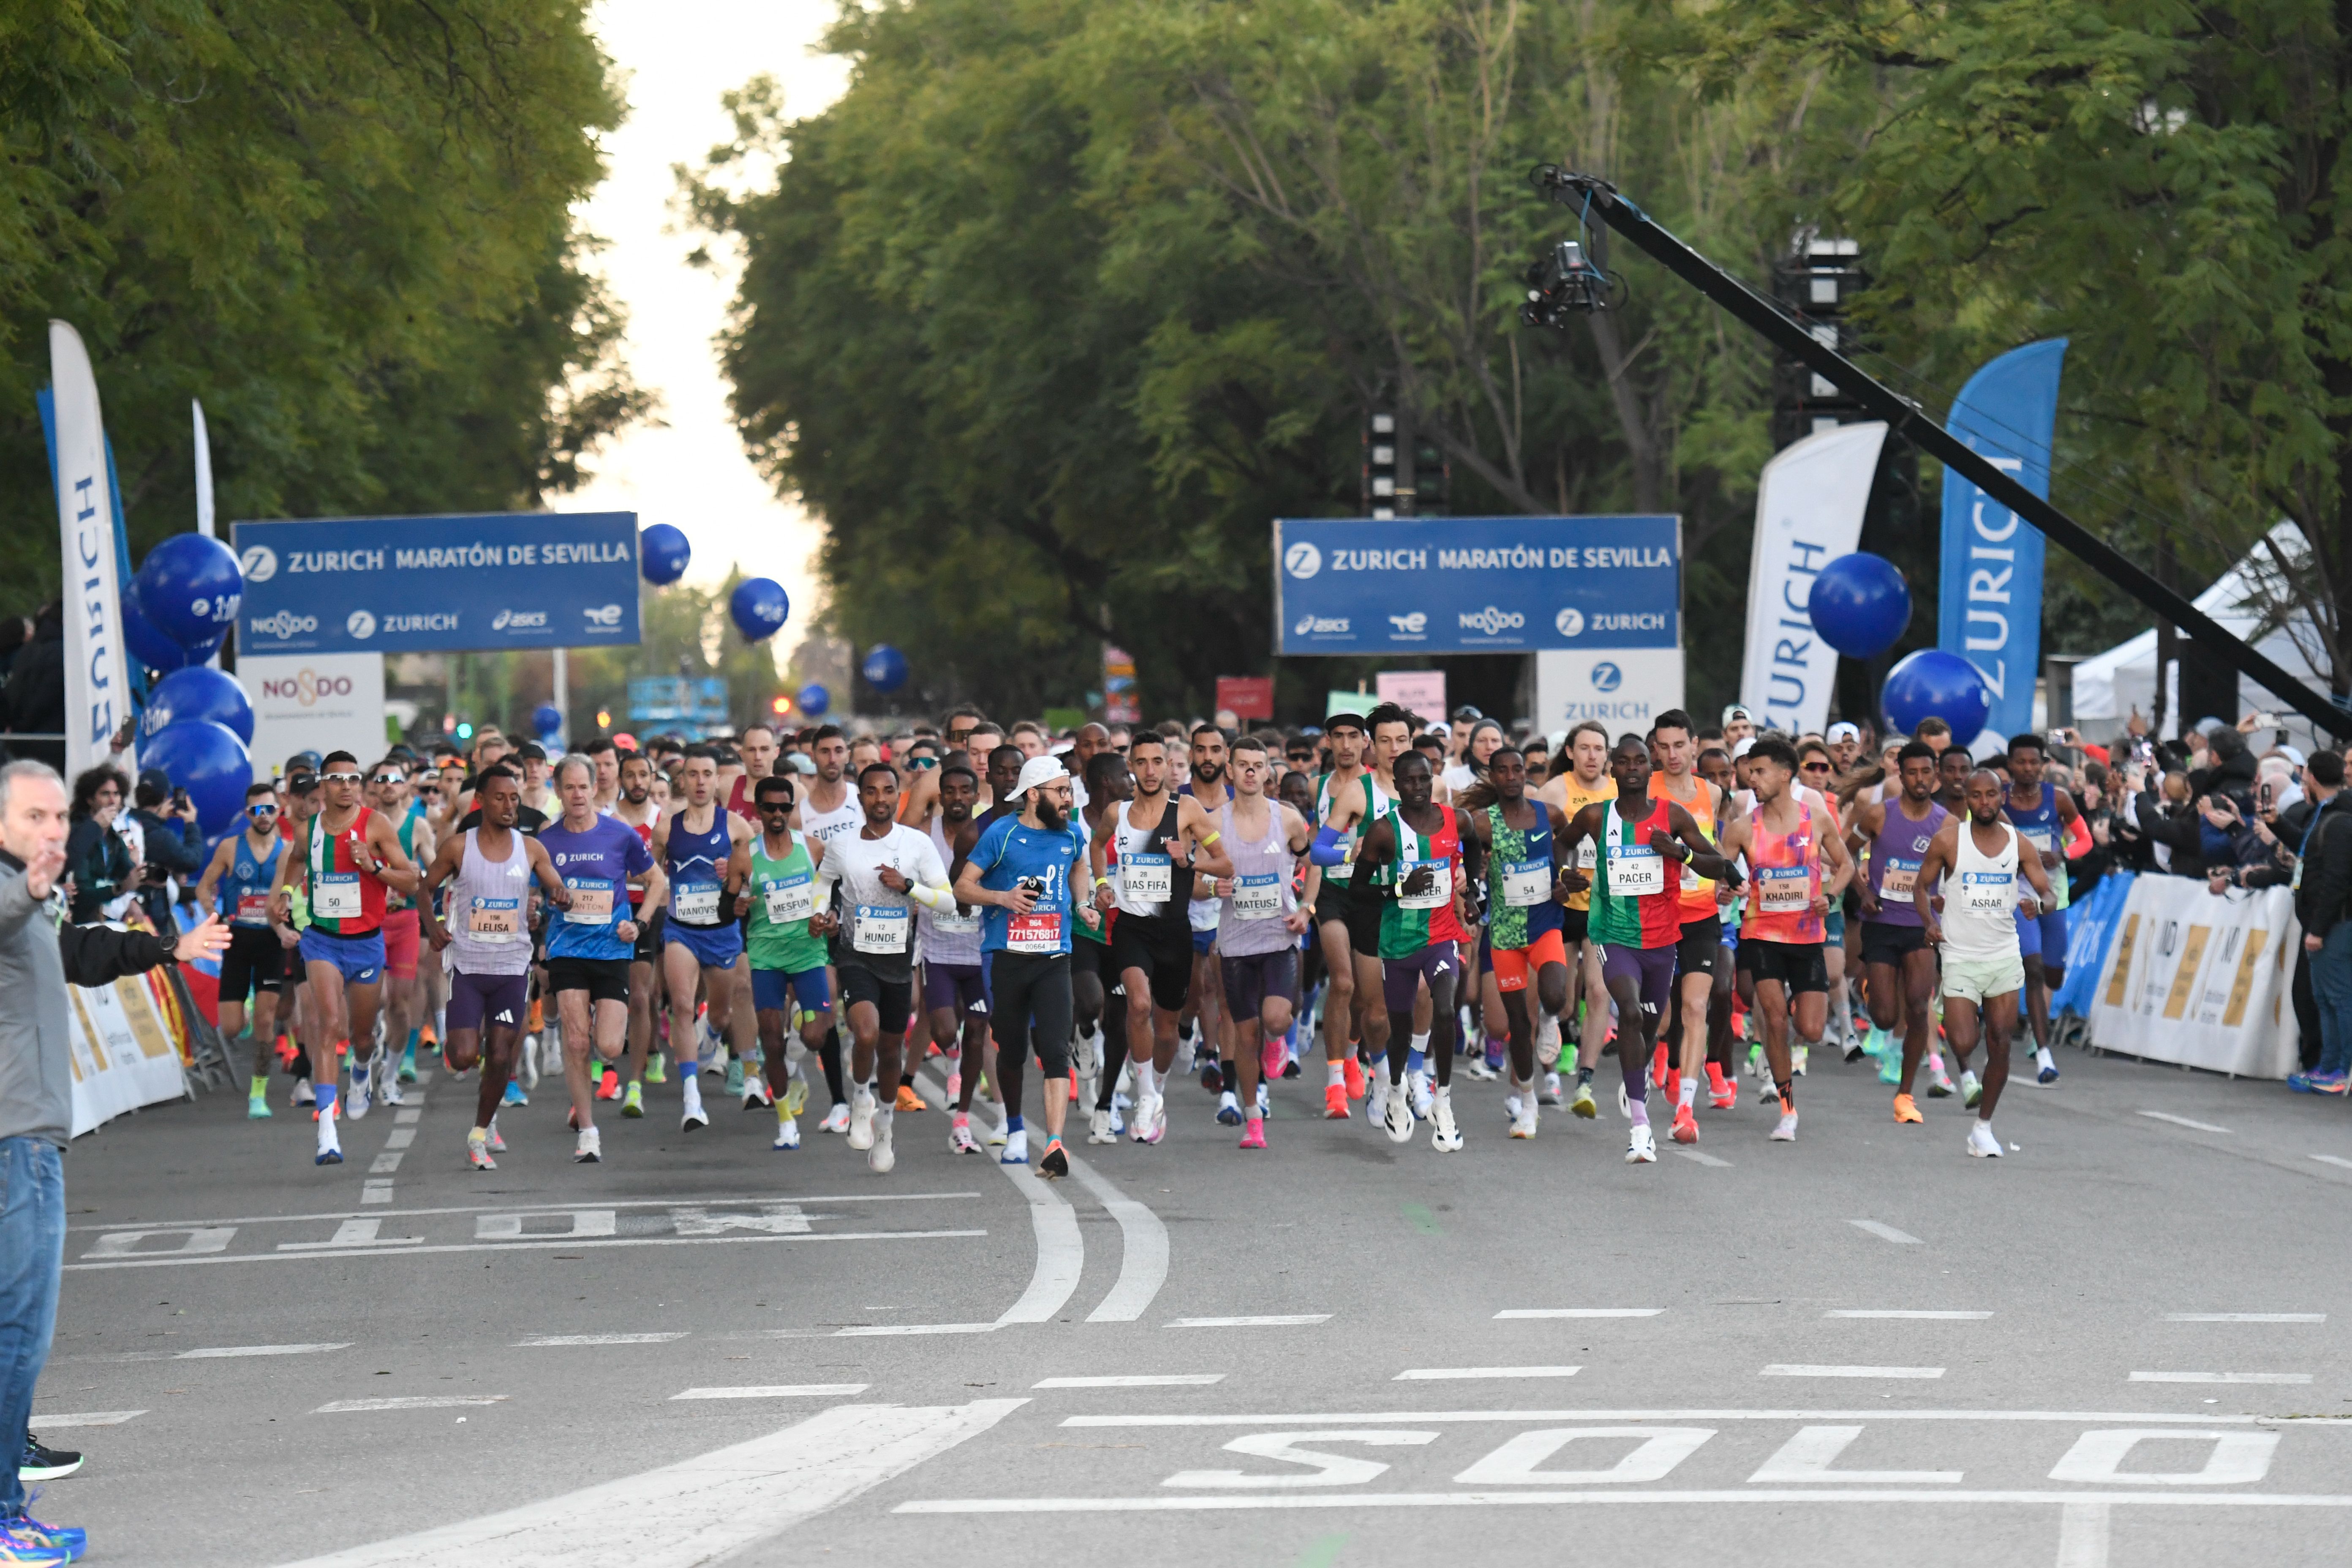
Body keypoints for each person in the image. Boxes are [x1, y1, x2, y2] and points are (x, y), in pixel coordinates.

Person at [0, 759, 230, 1565]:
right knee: (20, 1328)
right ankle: (2, 1517)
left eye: (58, 816)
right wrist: (29, 888)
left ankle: (7, 1506)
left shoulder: (30, 898)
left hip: (28, 1134)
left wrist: (169, 945)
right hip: (14, 1137)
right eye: (34, 816)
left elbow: (82, 950)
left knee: (16, 1326)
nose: (53, 830)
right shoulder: (10, 891)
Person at [1557, 735, 1739, 1164]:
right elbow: (1561, 841)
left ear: (1650, 766)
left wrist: (1680, 853)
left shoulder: (1671, 814)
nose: (1634, 767)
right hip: (1614, 936)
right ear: (1613, 770)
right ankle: (1641, 1127)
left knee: (1652, 1025)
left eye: (1642, 760)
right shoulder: (1595, 816)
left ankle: (1634, 1078)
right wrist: (1566, 871)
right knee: (1632, 1013)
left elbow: (1718, 864)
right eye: (1624, 762)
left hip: (1663, 940)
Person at [415, 766, 572, 1168]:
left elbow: (553, 881)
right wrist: (432, 927)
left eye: (515, 798)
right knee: (466, 1055)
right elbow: (425, 887)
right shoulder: (457, 847)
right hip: (468, 967)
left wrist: (560, 894)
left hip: (511, 967)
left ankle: (480, 1133)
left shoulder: (531, 848)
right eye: (500, 798)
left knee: (501, 1054)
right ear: (481, 802)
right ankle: (463, 1053)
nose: (509, 806)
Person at [953, 755, 1101, 1176]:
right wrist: (1003, 898)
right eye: (1061, 792)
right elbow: (964, 885)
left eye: (1070, 791)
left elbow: (1079, 865)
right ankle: (1015, 1126)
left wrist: (1083, 903)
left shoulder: (1072, 833)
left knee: (1056, 1049)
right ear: (1034, 794)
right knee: (1012, 1048)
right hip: (1008, 959)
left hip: (1055, 957)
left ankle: (1054, 1142)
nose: (1069, 800)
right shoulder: (1002, 834)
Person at [269, 750, 419, 1164]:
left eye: (354, 778)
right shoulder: (307, 832)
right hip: (322, 940)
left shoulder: (376, 824)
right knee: (328, 1022)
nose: (347, 786)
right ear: (323, 786)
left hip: (368, 942)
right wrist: (286, 893)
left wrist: (374, 867)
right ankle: (327, 1130)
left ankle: (361, 1071)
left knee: (363, 1035)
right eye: (337, 779)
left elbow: (410, 877)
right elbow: (297, 865)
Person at [1089, 732, 1230, 1145]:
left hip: (1174, 930)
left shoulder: (1185, 809)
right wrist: (1101, 882)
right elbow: (1097, 847)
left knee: (1167, 1029)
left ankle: (1159, 1087)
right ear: (1130, 767)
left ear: (1170, 766)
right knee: (1138, 1003)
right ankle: (1145, 1096)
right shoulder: (1117, 813)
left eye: (1158, 762)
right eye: (1142, 762)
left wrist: (1189, 860)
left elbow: (1225, 863)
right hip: (1132, 926)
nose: (1150, 771)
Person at [813, 762, 954, 1173]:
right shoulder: (842, 845)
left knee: (892, 1050)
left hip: (899, 960)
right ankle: (860, 1098)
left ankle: (886, 1125)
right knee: (867, 1031)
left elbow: (946, 901)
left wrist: (909, 887)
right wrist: (821, 914)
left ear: (898, 795)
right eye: (871, 792)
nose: (880, 799)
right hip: (855, 954)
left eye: (888, 791)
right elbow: (823, 885)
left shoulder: (917, 845)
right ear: (861, 799)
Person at [1712, 735, 1853, 1143]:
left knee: (1809, 1029)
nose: (1752, 779)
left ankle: (1791, 1025)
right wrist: (1727, 891)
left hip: (1808, 938)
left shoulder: (1817, 818)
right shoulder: (1742, 829)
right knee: (1775, 1020)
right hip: (1761, 935)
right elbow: (1723, 880)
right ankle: (1787, 1111)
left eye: (1760, 771)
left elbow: (1844, 866)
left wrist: (1829, 896)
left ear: (1786, 774)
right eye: (1749, 772)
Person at [1916, 768, 2053, 1155]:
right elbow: (1920, 888)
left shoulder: (2019, 843)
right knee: (1964, 1039)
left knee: (2001, 1043)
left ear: (2002, 797)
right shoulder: (1948, 841)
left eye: (1992, 795)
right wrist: (1930, 921)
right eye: (1976, 796)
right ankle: (1959, 1016)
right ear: (1968, 799)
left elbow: (2049, 892)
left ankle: (1983, 1127)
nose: (1985, 803)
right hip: (1959, 954)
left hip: (2003, 955)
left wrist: (2038, 905)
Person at [1350, 751, 1475, 1152]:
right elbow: (1358, 891)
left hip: (1442, 936)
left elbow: (1472, 846)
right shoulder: (1384, 831)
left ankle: (1444, 1102)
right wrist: (1400, 889)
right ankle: (1397, 1091)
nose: (1419, 788)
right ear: (1397, 785)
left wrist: (1469, 886)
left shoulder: (1457, 820)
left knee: (1443, 1008)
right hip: (1398, 941)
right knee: (1399, 1030)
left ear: (1433, 778)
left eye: (1425, 779)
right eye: (1410, 781)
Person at [538, 756, 659, 1162]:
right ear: (558, 791)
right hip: (567, 949)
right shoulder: (547, 840)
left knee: (607, 1046)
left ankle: (589, 1044)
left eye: (583, 787)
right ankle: (588, 1130)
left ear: (596, 789)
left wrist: (639, 925)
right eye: (568, 787)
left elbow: (657, 881)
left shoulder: (620, 835)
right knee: (575, 1040)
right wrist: (538, 911)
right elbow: (534, 896)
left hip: (611, 949)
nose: (577, 795)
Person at [1457, 746, 1572, 1139]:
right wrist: (1472, 892)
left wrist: (1562, 877)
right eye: (1502, 771)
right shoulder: (1482, 823)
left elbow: (1565, 843)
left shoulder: (1547, 814)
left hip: (1544, 925)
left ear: (1526, 774)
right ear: (1493, 777)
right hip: (1504, 934)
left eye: (1517, 769)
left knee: (1556, 997)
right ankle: (1527, 1103)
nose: (1510, 776)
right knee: (1514, 1027)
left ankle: (1551, 1022)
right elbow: (1467, 850)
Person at [1206, 737, 1312, 1150]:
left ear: (1269, 772)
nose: (1251, 772)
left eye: (1259, 765)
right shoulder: (1214, 823)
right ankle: (1254, 1121)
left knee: (1275, 1019)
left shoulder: (1286, 819)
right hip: (1234, 944)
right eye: (1243, 765)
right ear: (1229, 771)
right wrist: (1211, 887)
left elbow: (1311, 865)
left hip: (1278, 937)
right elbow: (1196, 884)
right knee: (1244, 1037)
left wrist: (1307, 908)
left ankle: (1278, 1042)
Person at [1847, 740, 1949, 1124]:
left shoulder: (1947, 824)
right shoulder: (1879, 815)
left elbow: (1955, 872)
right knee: (1886, 1017)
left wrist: (1943, 902)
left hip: (1920, 928)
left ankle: (1905, 1094)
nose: (1920, 779)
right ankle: (1871, 989)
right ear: (1900, 775)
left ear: (1934, 776)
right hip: (1882, 923)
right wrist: (1863, 889)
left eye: (1926, 772)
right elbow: (1846, 851)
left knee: (1921, 1006)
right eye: (1912, 772)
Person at [653, 747, 752, 1132]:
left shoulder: (737, 828)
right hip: (681, 929)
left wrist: (738, 881)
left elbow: (751, 882)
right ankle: (691, 1099)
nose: (699, 782)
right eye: (692, 775)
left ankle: (711, 1034)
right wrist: (662, 903)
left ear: (716, 781)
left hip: (722, 930)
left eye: (706, 775)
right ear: (683, 780)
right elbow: (654, 876)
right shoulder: (666, 829)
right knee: (681, 1004)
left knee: (722, 1012)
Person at [740, 772, 832, 1149]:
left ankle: (801, 1026)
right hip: (765, 957)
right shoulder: (744, 855)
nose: (778, 814)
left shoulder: (812, 848)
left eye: (784, 807)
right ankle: (785, 1124)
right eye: (770, 808)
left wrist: (826, 917)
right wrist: (737, 905)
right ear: (758, 810)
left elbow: (826, 895)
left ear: (792, 809)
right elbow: (728, 905)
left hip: (808, 953)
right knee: (770, 1041)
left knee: (814, 1038)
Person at [196, 783, 291, 1118]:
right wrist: (214, 915)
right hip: (237, 938)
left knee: (268, 1020)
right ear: (246, 814)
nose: (263, 817)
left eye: (269, 810)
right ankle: (244, 1010)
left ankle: (258, 1093)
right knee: (233, 1028)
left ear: (279, 810)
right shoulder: (229, 848)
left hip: (270, 940)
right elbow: (204, 886)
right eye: (255, 811)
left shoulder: (288, 850)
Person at [1537, 720, 1616, 1117]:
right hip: (1561, 905)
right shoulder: (1555, 791)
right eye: (1584, 748)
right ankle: (1551, 1066)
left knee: (1599, 993)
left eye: (1598, 749)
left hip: (1601, 909)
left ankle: (1584, 1081)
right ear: (1570, 752)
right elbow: (1533, 842)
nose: (1591, 756)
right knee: (1563, 1003)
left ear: (1607, 754)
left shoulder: (1619, 792)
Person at [1302, 712, 1378, 1119]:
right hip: (1332, 891)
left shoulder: (1379, 787)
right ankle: (1334, 1083)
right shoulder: (1318, 786)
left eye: (1354, 737)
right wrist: (1308, 903)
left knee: (1366, 993)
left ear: (1366, 742)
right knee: (1343, 982)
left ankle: (1352, 1052)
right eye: (1339, 737)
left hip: (1369, 894)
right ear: (1328, 742)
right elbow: (1318, 849)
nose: (1346, 745)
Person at [918, 764, 993, 1153]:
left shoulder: (988, 835)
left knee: (978, 1030)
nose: (958, 798)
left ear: (977, 796)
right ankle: (953, 1059)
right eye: (950, 791)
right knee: (947, 1032)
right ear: (940, 796)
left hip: (980, 954)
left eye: (966, 791)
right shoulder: (923, 837)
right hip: (938, 952)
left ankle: (962, 1121)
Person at [2004, 733, 2086, 1086]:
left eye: (2034, 762)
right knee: (2034, 969)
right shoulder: (1999, 800)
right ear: (2010, 765)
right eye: (2021, 762)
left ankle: (2040, 1031)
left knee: (2053, 973)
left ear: (2044, 765)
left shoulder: (2060, 799)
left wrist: (2063, 854)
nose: (2028, 768)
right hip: (2015, 894)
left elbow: (2085, 839)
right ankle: (2044, 1053)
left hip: (2054, 893)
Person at [62, 767, 133, 925]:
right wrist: (118, 889)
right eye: (105, 794)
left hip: (98, 917)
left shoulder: (113, 837)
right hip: (75, 919)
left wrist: (146, 877)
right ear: (90, 800)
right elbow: (81, 892)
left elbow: (128, 871)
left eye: (117, 794)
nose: (113, 801)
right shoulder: (79, 832)